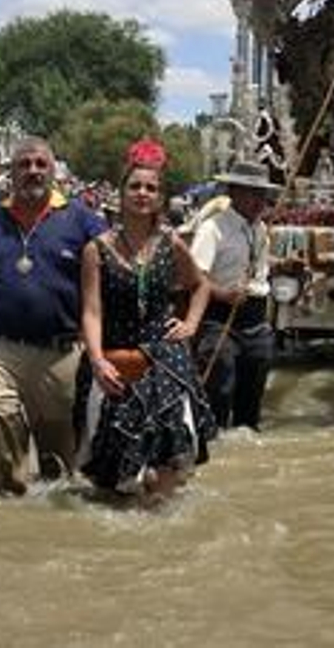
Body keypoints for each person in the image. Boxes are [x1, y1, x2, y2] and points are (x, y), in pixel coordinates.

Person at [0, 136, 106, 496]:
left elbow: (112, 267)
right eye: (24, 164)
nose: (33, 171)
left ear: (54, 170)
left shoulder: (82, 220)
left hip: (62, 354)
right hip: (1, 350)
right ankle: (7, 510)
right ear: (11, 172)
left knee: (60, 470)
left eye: (41, 164)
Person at [75, 140, 216, 500]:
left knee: (166, 464)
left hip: (166, 361)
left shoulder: (171, 243)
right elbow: (92, 311)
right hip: (112, 359)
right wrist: (96, 361)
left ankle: (162, 544)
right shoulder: (97, 249)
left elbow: (200, 286)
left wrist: (191, 324)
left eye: (151, 188)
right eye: (135, 186)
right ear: (120, 194)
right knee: (111, 470)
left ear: (160, 197)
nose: (142, 193)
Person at [190, 161, 280, 431]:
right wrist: (223, 293)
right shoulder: (212, 229)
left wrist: (283, 265)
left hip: (255, 318)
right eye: (252, 193)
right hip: (220, 318)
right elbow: (194, 277)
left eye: (262, 194)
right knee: (221, 385)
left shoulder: (261, 229)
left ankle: (246, 441)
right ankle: (213, 440)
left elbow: (259, 269)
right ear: (233, 192)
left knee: (253, 393)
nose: (259, 201)